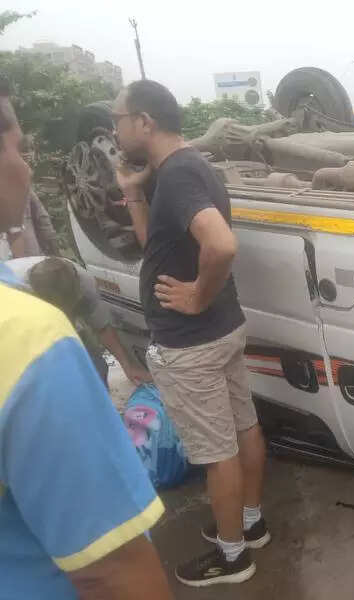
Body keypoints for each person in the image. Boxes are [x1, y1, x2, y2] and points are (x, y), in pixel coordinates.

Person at [0, 76, 172, 600]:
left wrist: (130, 370)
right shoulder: (27, 334)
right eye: (20, 148)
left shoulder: (58, 284)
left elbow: (102, 330)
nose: (27, 166)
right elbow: (115, 573)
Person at [113, 79, 268, 587]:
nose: (115, 128)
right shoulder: (187, 167)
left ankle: (232, 558)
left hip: (192, 342)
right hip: (222, 330)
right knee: (243, 426)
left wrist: (198, 294)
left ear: (144, 123)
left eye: (119, 119)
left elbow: (221, 245)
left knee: (215, 452)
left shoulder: (178, 176)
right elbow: (155, 244)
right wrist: (133, 193)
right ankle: (249, 524)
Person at [4, 255, 153, 386]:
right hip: (18, 329)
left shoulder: (84, 282)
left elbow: (102, 327)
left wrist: (127, 365)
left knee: (97, 367)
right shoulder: (13, 288)